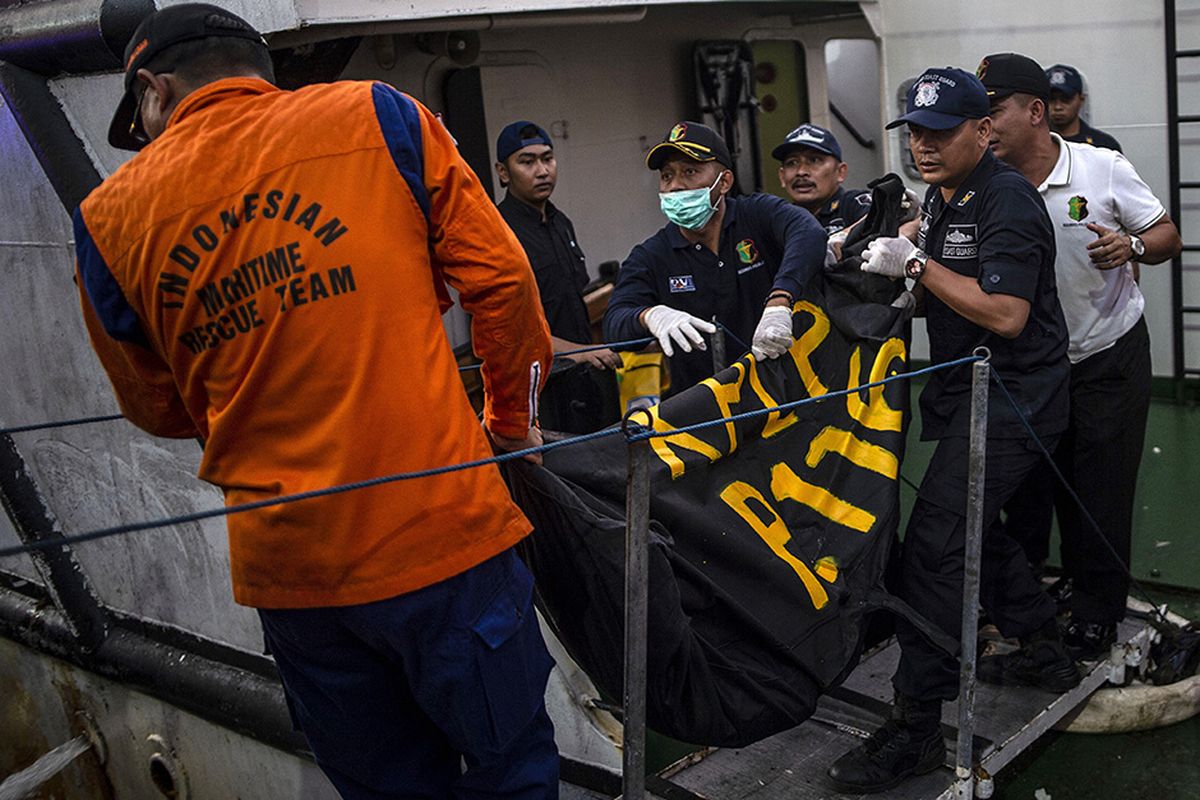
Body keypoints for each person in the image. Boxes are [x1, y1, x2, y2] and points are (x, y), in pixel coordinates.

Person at [74, 4, 558, 797]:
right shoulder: (379, 113)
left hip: (293, 574)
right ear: (260, 69)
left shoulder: (104, 220)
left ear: (154, 92)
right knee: (513, 772)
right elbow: (501, 286)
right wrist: (509, 425)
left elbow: (156, 410)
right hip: (440, 536)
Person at [828, 67, 1078, 794]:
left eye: (940, 133)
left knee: (935, 547)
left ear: (982, 131)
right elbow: (923, 245)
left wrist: (917, 264)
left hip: (1017, 397)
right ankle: (1042, 643)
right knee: (972, 529)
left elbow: (1006, 315)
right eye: (915, 133)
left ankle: (915, 728)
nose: (924, 147)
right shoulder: (944, 195)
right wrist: (868, 242)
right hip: (969, 392)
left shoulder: (1010, 202)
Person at [982, 53, 1182, 659]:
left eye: (992, 111)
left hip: (1106, 356)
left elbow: (1168, 234)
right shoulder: (983, 185)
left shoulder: (1101, 168)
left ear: (1035, 111)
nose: (982, 126)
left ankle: (1098, 608)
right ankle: (1044, 590)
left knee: (1102, 487)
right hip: (1031, 366)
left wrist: (1133, 245)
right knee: (1035, 485)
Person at [602, 121, 827, 394]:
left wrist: (779, 301)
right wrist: (650, 315)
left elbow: (808, 233)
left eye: (690, 171)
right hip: (702, 411)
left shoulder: (756, 215)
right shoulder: (651, 256)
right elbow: (614, 326)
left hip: (783, 396)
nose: (675, 186)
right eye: (666, 175)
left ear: (725, 182)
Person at [495, 120, 622, 433]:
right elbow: (510, 331)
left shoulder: (560, 223)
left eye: (547, 158)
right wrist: (581, 353)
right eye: (527, 161)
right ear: (503, 172)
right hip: (541, 393)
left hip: (584, 382)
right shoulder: (498, 234)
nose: (542, 170)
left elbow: (574, 302)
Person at [773, 123, 871, 234]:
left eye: (814, 160)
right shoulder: (777, 220)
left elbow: (883, 220)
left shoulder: (853, 204)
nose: (801, 172)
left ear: (840, 172)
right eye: (792, 163)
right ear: (782, 176)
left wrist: (844, 237)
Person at [1043, 63, 1122, 152]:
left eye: (1066, 99)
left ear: (1081, 100)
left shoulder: (1103, 146)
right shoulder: (1032, 144)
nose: (1058, 107)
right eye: (1051, 99)